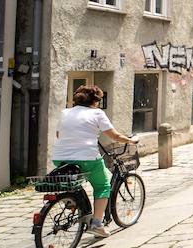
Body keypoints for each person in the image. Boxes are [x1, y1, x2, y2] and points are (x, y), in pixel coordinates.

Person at [53, 85, 136, 239]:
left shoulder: (65, 112)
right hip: (87, 157)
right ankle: (97, 224)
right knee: (103, 185)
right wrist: (131, 141)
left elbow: (59, 134)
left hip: (60, 156)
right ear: (96, 101)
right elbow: (115, 136)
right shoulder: (97, 113)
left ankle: (71, 200)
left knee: (73, 182)